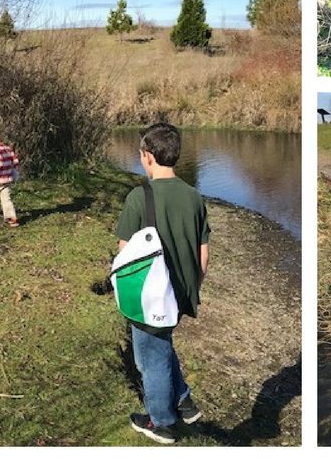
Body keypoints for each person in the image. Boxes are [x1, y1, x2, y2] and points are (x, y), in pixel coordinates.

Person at [115, 123, 210, 444]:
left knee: (149, 360)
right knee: (162, 344)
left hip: (151, 296)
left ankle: (162, 423)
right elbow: (203, 253)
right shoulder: (195, 197)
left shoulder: (139, 197)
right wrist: (191, 289)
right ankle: (183, 400)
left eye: (141, 154)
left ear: (148, 156)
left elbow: (125, 254)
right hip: (182, 291)